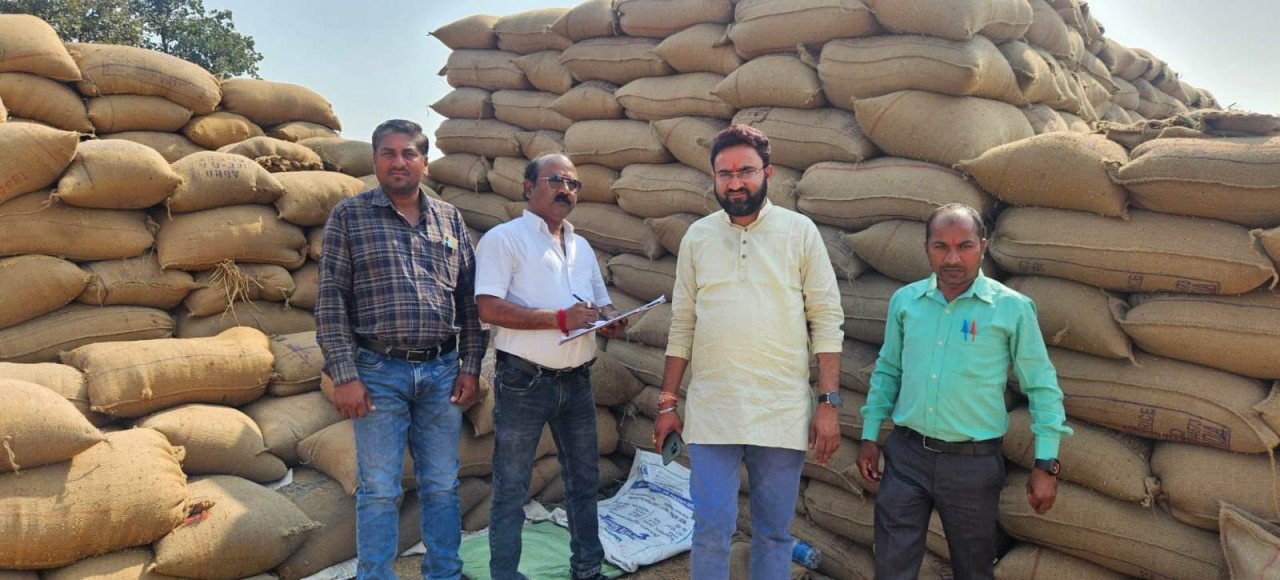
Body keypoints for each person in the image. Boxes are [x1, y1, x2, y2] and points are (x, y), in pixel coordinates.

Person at [652, 125, 845, 580]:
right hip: (713, 409)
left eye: (745, 171)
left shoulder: (799, 232)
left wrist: (828, 403)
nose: (735, 183)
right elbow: (682, 324)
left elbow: (826, 319)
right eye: (725, 174)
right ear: (713, 179)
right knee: (710, 531)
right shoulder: (697, 237)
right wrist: (667, 403)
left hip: (780, 409)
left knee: (774, 534)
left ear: (768, 174)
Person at [856, 203, 1073, 580]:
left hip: (972, 465)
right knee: (891, 567)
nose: (953, 258)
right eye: (941, 246)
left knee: (973, 570)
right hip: (907, 457)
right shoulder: (906, 302)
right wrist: (869, 436)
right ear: (926, 247)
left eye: (965, 246)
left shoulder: (1011, 309)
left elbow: (1041, 386)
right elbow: (888, 370)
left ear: (983, 246)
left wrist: (1045, 463)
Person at [315, 119, 485, 580]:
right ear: (374, 161)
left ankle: (444, 573)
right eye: (388, 153)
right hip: (377, 372)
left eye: (409, 153)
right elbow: (330, 302)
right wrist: (345, 374)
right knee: (379, 488)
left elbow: (469, 301)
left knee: (442, 484)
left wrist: (471, 366)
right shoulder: (349, 217)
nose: (398, 162)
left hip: (442, 370)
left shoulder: (449, 219)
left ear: (424, 163)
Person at [474, 153, 627, 580]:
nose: (566, 190)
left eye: (573, 184)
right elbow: (488, 307)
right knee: (511, 487)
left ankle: (587, 569)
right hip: (524, 380)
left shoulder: (582, 246)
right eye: (556, 180)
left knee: (583, 480)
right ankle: (505, 574)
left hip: (577, 381)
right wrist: (559, 318)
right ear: (528, 187)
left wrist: (611, 320)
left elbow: (600, 304)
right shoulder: (504, 239)